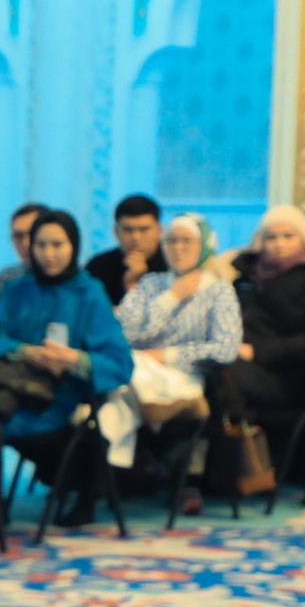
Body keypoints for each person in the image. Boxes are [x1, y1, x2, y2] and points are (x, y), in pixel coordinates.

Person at [0, 210, 134, 527]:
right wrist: (25, 352)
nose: (49, 254)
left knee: (71, 438)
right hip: (13, 390)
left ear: (74, 246)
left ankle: (83, 493)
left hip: (62, 399)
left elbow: (121, 363)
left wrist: (73, 360)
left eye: (58, 245)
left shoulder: (89, 294)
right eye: (41, 245)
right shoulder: (17, 289)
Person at [111, 212, 242, 516]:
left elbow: (225, 349)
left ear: (205, 245)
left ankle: (131, 463)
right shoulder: (150, 285)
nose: (178, 248)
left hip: (188, 376)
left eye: (187, 241)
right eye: (171, 240)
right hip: (140, 370)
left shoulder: (219, 290)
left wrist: (168, 356)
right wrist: (171, 298)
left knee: (121, 389)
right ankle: (118, 469)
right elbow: (124, 334)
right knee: (117, 376)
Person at [219, 205, 305, 506]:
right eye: (271, 237)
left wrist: (259, 351)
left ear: (303, 240)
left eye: (288, 236)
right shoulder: (246, 277)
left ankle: (247, 467)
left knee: (220, 375)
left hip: (290, 376)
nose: (279, 244)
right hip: (239, 364)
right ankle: (200, 476)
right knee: (202, 368)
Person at [85, 194, 164, 307]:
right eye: (128, 230)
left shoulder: (172, 263)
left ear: (159, 230)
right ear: (116, 232)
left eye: (144, 229)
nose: (136, 237)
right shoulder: (98, 266)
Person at [0, 201, 44, 297]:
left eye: (32, 233)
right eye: (18, 236)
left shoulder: (70, 285)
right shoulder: (6, 280)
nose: (26, 243)